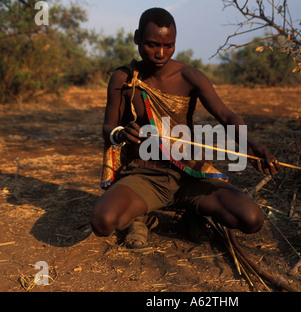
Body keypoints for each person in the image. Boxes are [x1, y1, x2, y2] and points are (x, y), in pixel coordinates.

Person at [90, 7, 280, 248]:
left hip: (189, 174)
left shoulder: (190, 76)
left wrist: (253, 146)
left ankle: (191, 210)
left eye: (169, 45)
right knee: (103, 221)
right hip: (143, 175)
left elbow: (225, 115)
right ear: (137, 38)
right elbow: (108, 126)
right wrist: (121, 133)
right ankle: (141, 216)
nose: (161, 53)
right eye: (151, 44)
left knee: (251, 219)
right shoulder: (124, 78)